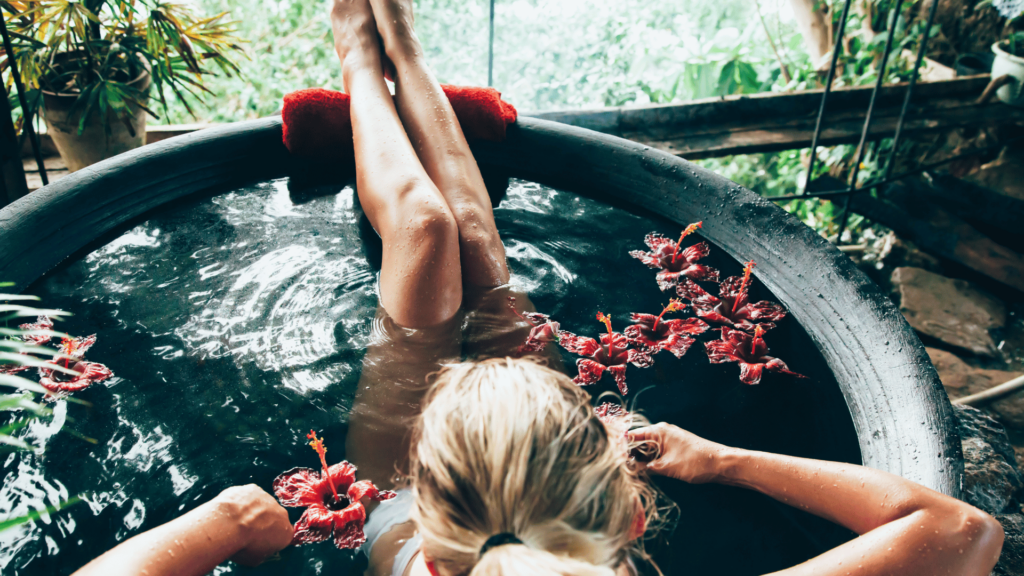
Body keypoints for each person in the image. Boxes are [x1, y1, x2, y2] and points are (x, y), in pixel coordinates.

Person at [73, 0, 1005, 575]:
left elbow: (960, 533)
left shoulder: (415, 518)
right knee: (475, 239)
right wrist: (724, 460)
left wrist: (235, 517)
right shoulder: (581, 533)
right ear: (637, 519)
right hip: (488, 488)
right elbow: (960, 532)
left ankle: (364, 57)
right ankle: (403, 47)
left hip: (412, 486)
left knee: (430, 234)